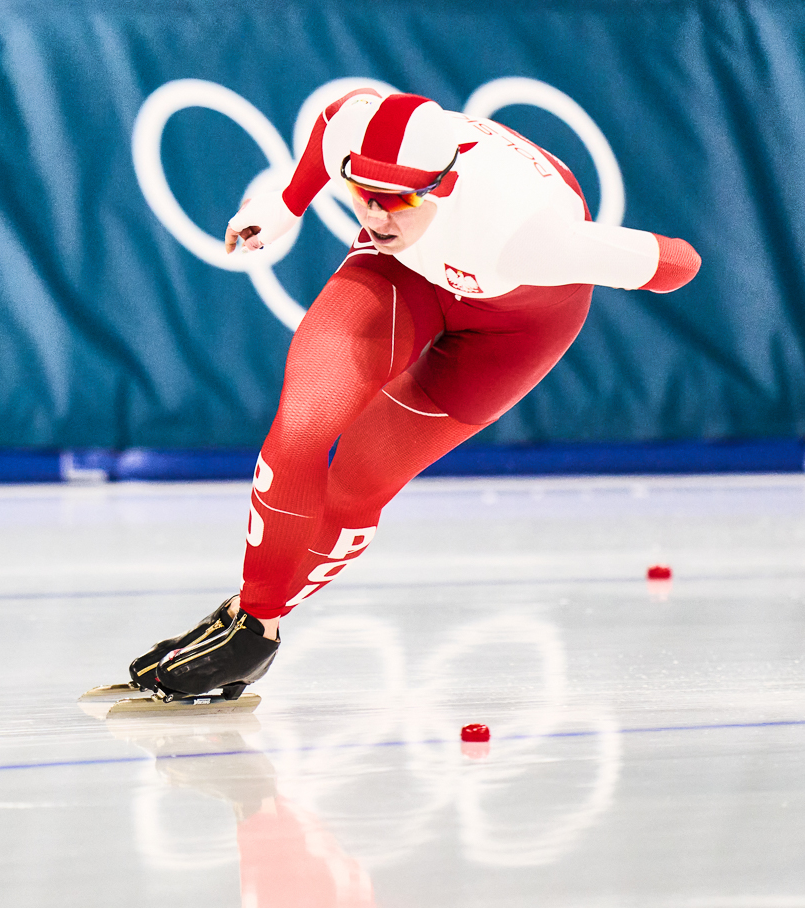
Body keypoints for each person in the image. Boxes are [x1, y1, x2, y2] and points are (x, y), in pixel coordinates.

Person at [129, 90, 700, 698]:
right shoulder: (359, 135)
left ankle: (252, 623)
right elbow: (335, 118)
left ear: (444, 186)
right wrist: (288, 203)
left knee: (357, 483)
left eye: (399, 198)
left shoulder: (528, 236)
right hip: (402, 272)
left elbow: (681, 263)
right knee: (302, 428)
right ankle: (254, 624)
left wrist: (603, 255)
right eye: (363, 193)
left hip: (515, 328)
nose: (376, 216)